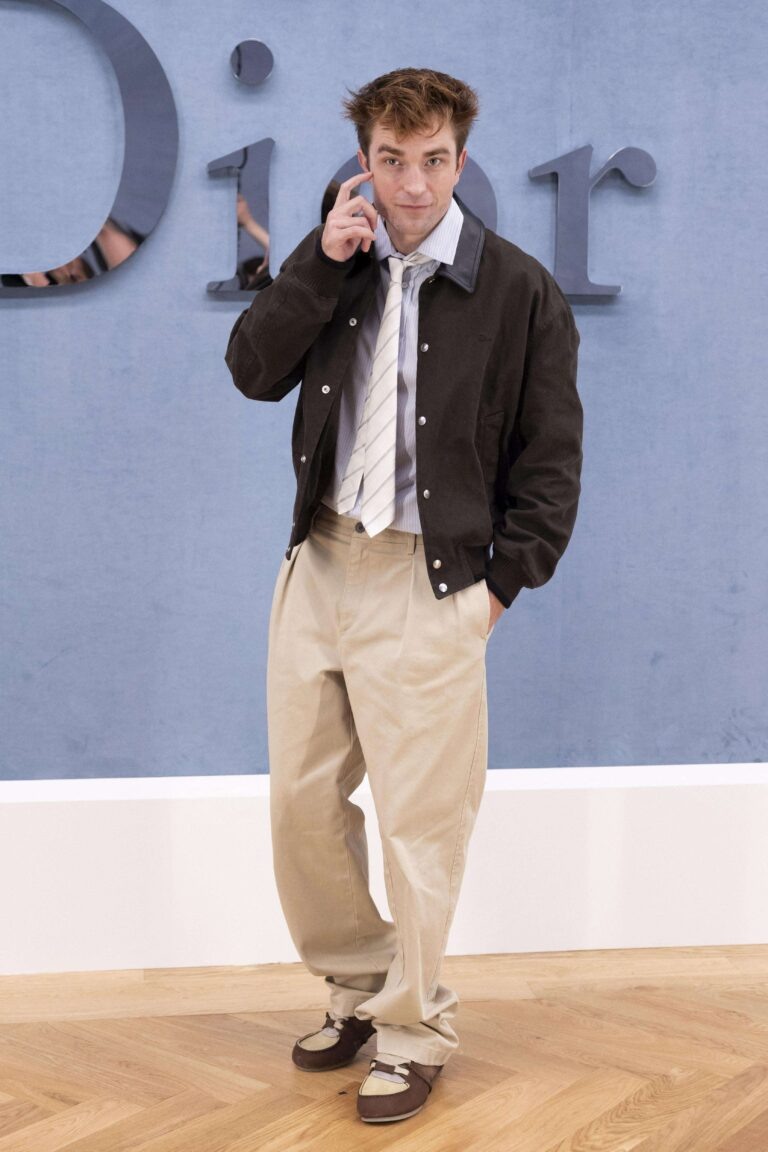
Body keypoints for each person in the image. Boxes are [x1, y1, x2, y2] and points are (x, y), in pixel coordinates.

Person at [224, 66, 583, 1124]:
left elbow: (551, 463)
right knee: (300, 807)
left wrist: (496, 591)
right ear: (366, 162)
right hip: (320, 565)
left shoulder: (518, 291)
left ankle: (416, 1029)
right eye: (392, 160)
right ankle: (358, 989)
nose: (412, 185)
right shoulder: (338, 262)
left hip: (431, 580)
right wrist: (316, 262)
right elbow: (251, 370)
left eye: (432, 161)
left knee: (419, 828)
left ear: (460, 160)